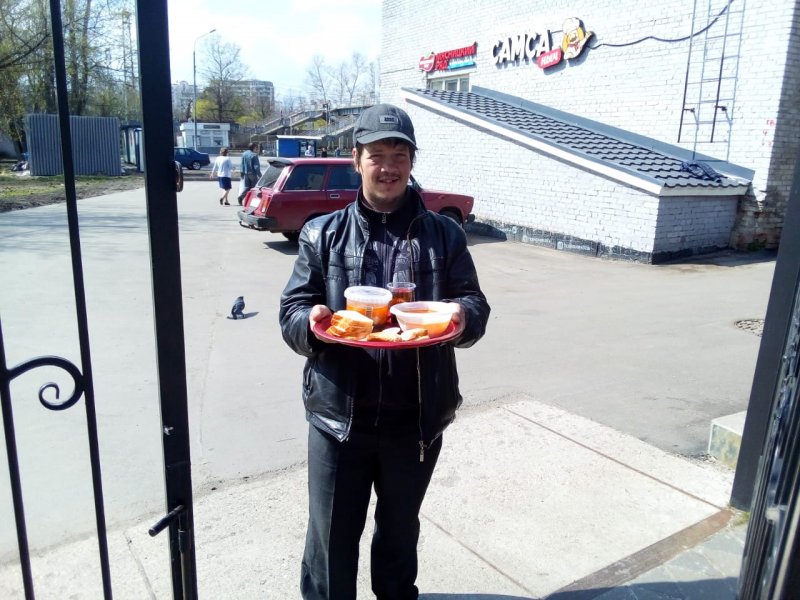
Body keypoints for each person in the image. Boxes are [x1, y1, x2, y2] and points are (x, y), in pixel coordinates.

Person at [279, 104, 490, 600]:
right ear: (356, 159)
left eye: (400, 155)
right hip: (338, 421)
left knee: (398, 538)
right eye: (377, 154)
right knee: (330, 543)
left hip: (414, 421)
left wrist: (461, 317)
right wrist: (312, 323)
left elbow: (474, 303)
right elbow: (292, 311)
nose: (389, 166)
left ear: (412, 162)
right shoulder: (322, 233)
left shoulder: (445, 234)